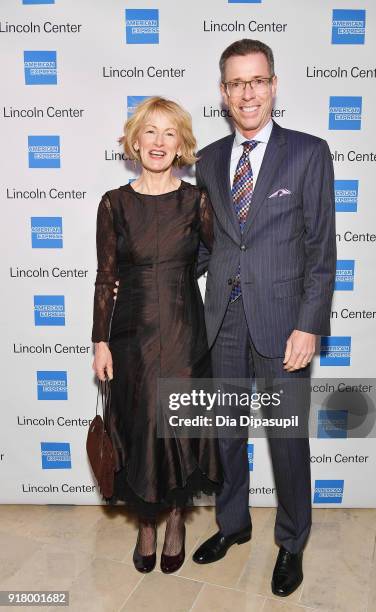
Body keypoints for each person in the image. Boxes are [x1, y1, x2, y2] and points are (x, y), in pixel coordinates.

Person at [192, 39, 336, 597]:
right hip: (221, 323)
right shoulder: (205, 160)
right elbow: (203, 248)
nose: (247, 93)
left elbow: (321, 251)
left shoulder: (308, 153)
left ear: (273, 86)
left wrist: (309, 324)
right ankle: (234, 524)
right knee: (226, 434)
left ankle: (293, 541)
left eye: (257, 81)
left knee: (286, 440)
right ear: (223, 94)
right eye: (235, 84)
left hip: (284, 326)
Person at [91, 96, 222, 575]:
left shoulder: (196, 201)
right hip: (130, 336)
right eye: (150, 132)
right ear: (135, 140)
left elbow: (225, 257)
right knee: (141, 428)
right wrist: (99, 340)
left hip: (187, 333)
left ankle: (175, 521)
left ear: (183, 143)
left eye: (170, 133)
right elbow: (106, 276)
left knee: (178, 430)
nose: (159, 142)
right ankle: (146, 525)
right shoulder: (114, 204)